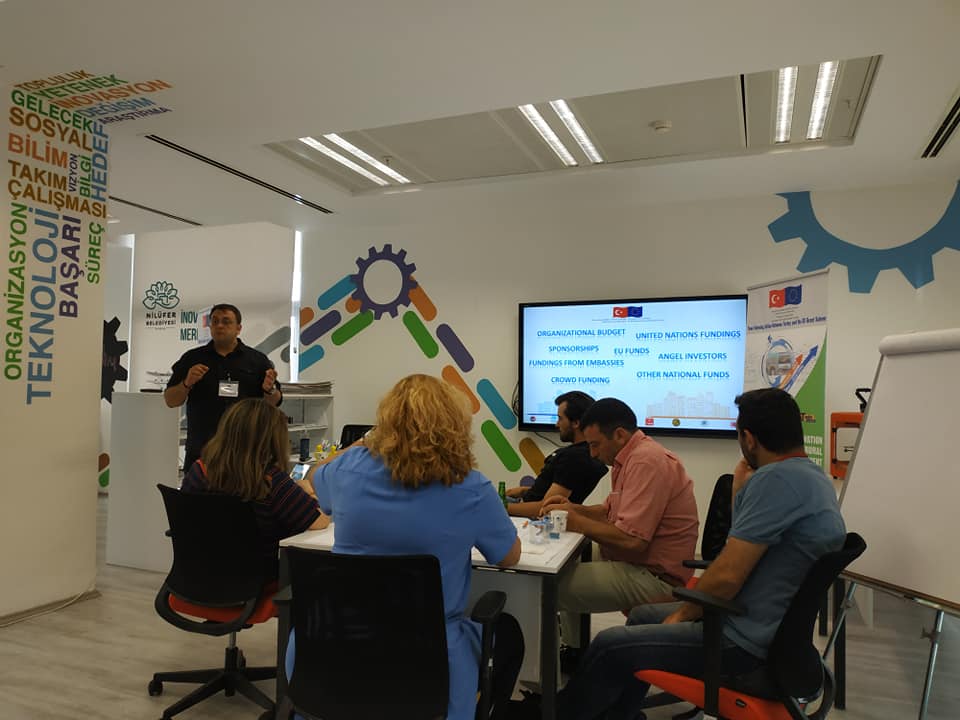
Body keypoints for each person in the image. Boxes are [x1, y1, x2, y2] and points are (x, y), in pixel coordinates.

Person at [556, 388, 847, 720]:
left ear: (749, 438)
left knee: (609, 645)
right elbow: (747, 553)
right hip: (769, 629)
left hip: (743, 642)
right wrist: (739, 492)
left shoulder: (775, 480)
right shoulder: (812, 477)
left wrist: (682, 616)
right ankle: (622, 714)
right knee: (640, 618)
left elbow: (727, 575)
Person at [309, 374, 524, 720]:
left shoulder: (347, 470)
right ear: (455, 427)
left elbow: (313, 476)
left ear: (386, 423)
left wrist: (364, 441)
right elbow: (508, 557)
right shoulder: (471, 486)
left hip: (341, 645)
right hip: (432, 657)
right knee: (509, 633)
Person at [540, 398, 699, 658]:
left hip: (654, 576)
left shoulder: (646, 461)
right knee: (555, 567)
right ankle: (574, 652)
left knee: (543, 588)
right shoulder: (629, 458)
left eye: (595, 445)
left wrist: (576, 522)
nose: (592, 454)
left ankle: (543, 679)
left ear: (619, 435)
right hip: (637, 562)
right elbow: (608, 512)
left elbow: (632, 541)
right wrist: (573, 508)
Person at [180, 398, 329, 580]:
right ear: (272, 440)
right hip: (256, 581)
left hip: (197, 578)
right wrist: (310, 491)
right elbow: (320, 521)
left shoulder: (198, 471)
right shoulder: (272, 481)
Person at [164, 303, 282, 471]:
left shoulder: (257, 360)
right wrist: (186, 383)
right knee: (196, 489)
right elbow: (170, 400)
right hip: (202, 451)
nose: (219, 325)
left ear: (238, 328)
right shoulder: (192, 358)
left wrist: (269, 389)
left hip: (245, 451)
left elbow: (275, 402)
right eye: (215, 321)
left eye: (226, 321)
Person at [505, 391, 608, 519]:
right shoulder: (581, 454)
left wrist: (501, 507)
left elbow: (546, 508)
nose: (556, 424)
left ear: (576, 423)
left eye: (560, 418)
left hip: (529, 516)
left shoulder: (574, 458)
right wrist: (523, 491)